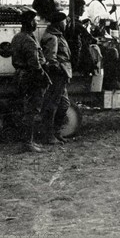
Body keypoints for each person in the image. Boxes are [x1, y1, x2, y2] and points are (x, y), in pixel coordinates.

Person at [10, 8, 49, 153]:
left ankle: (27, 142)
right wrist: (43, 77)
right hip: (31, 77)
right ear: (29, 22)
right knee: (32, 111)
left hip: (21, 76)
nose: (36, 23)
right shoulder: (28, 40)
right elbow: (35, 64)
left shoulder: (17, 37)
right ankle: (28, 143)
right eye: (34, 20)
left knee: (26, 109)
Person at [41, 10, 72, 144]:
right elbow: (50, 59)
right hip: (57, 76)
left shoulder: (57, 35)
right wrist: (60, 70)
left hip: (62, 75)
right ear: (59, 23)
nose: (66, 24)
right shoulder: (52, 38)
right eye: (64, 22)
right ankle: (49, 136)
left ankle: (56, 133)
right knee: (52, 105)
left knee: (64, 104)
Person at [66, 0, 97, 74]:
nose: (84, 10)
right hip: (77, 56)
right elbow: (91, 39)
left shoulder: (68, 20)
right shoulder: (76, 24)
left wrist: (82, 23)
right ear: (79, 8)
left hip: (73, 52)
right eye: (83, 8)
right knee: (111, 51)